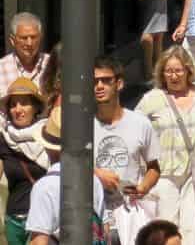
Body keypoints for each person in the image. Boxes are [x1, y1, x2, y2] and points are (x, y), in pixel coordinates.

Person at [135, 47, 195, 244]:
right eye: (169, 71)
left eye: (178, 71)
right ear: (162, 73)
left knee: (191, 228)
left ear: (188, 71)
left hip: (194, 174)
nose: (174, 76)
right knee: (166, 230)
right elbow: (134, 132)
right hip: (163, 174)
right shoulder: (152, 99)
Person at [90, 55, 160, 218]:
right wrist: (96, 174)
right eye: (94, 82)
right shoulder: (82, 125)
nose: (99, 86)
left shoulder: (140, 123)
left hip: (129, 212)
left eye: (106, 80)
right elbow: (66, 163)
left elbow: (154, 167)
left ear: (119, 84)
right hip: (93, 214)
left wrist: (143, 188)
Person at [25, 107, 107, 244]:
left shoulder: (44, 187)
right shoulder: (93, 180)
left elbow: (39, 241)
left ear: (47, 147)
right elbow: (104, 230)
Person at [0, 79, 49, 245]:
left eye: (24, 103)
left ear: (36, 107)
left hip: (42, 223)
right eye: (13, 105)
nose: (18, 109)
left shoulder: (49, 136)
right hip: (14, 222)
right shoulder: (4, 139)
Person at [0, 17, 49, 97]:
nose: (29, 43)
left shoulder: (52, 64)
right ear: (12, 40)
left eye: (33, 37)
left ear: (40, 38)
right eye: (24, 38)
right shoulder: (1, 68)